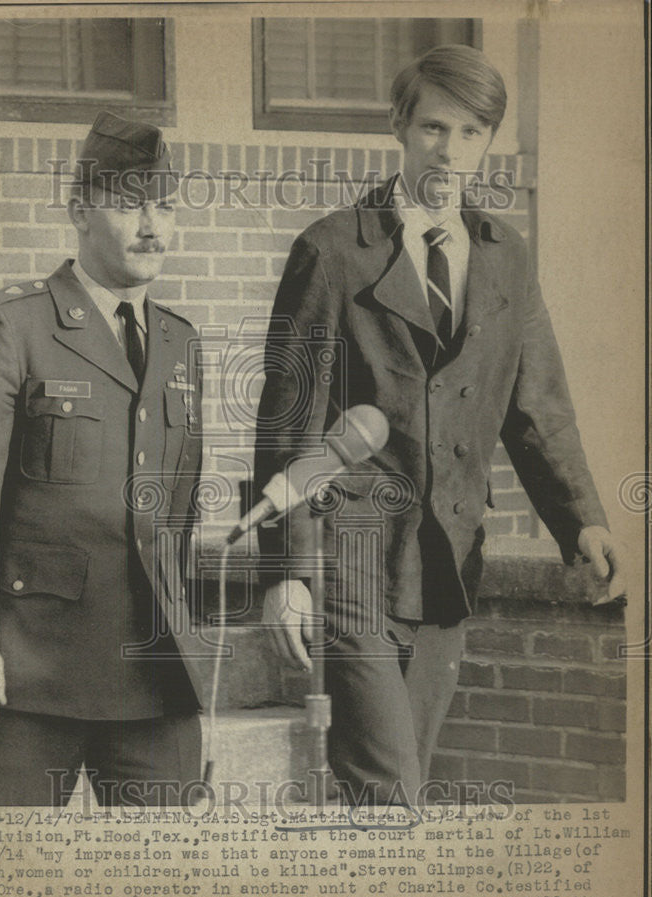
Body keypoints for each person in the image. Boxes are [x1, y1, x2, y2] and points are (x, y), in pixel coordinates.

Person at [254, 44, 626, 806]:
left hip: (448, 559)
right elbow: (286, 428)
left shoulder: (505, 258)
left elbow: (538, 407)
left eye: (470, 133)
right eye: (433, 128)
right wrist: (287, 572)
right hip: (349, 551)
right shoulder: (332, 251)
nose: (448, 151)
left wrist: (581, 521)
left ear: (487, 142)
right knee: (388, 785)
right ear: (399, 124)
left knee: (401, 786)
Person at [0, 113, 204, 807]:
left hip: (153, 682)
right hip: (28, 676)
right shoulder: (12, 326)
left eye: (165, 205)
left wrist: (197, 680)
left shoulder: (178, 342)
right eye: (129, 201)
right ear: (79, 210)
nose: (151, 225)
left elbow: (177, 523)